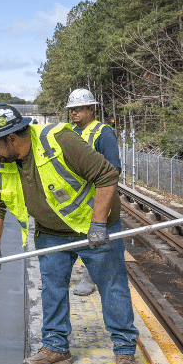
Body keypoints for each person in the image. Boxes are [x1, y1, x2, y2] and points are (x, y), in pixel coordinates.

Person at [0, 103, 140, 364]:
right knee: (52, 288)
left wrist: (98, 223)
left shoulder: (59, 140)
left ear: (12, 137)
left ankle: (124, 350)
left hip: (92, 228)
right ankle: (56, 347)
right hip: (50, 232)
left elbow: (107, 175)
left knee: (112, 285)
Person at [66, 88, 122, 296]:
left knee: (96, 239)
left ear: (92, 108)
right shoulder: (69, 132)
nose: (74, 113)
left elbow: (114, 168)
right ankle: (61, 277)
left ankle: (88, 279)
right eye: (72, 109)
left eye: (78, 108)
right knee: (69, 238)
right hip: (74, 197)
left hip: (95, 195)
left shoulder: (103, 132)